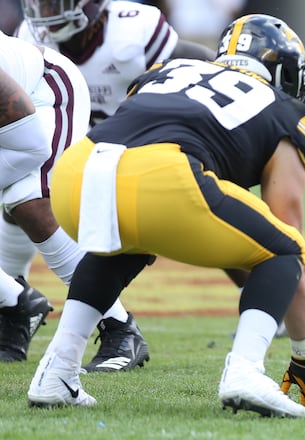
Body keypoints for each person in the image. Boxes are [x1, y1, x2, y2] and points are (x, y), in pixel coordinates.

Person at [26, 14, 305, 416]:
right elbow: (289, 244)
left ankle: (56, 372)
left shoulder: (168, 69)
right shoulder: (289, 113)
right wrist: (304, 357)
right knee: (285, 250)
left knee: (123, 244)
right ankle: (245, 371)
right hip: (164, 173)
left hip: (77, 173)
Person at [14, 0, 250, 372]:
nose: (45, 13)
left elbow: (191, 60)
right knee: (23, 200)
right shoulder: (28, 36)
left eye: (54, 3)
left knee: (204, 219)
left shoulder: (133, 30)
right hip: (81, 150)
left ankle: (257, 299)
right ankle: (16, 307)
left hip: (141, 148)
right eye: (40, 4)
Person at [0, 31, 88, 361]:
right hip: (16, 115)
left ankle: (119, 325)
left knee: (31, 203)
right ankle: (16, 302)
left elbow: (32, 147)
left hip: (45, 91)